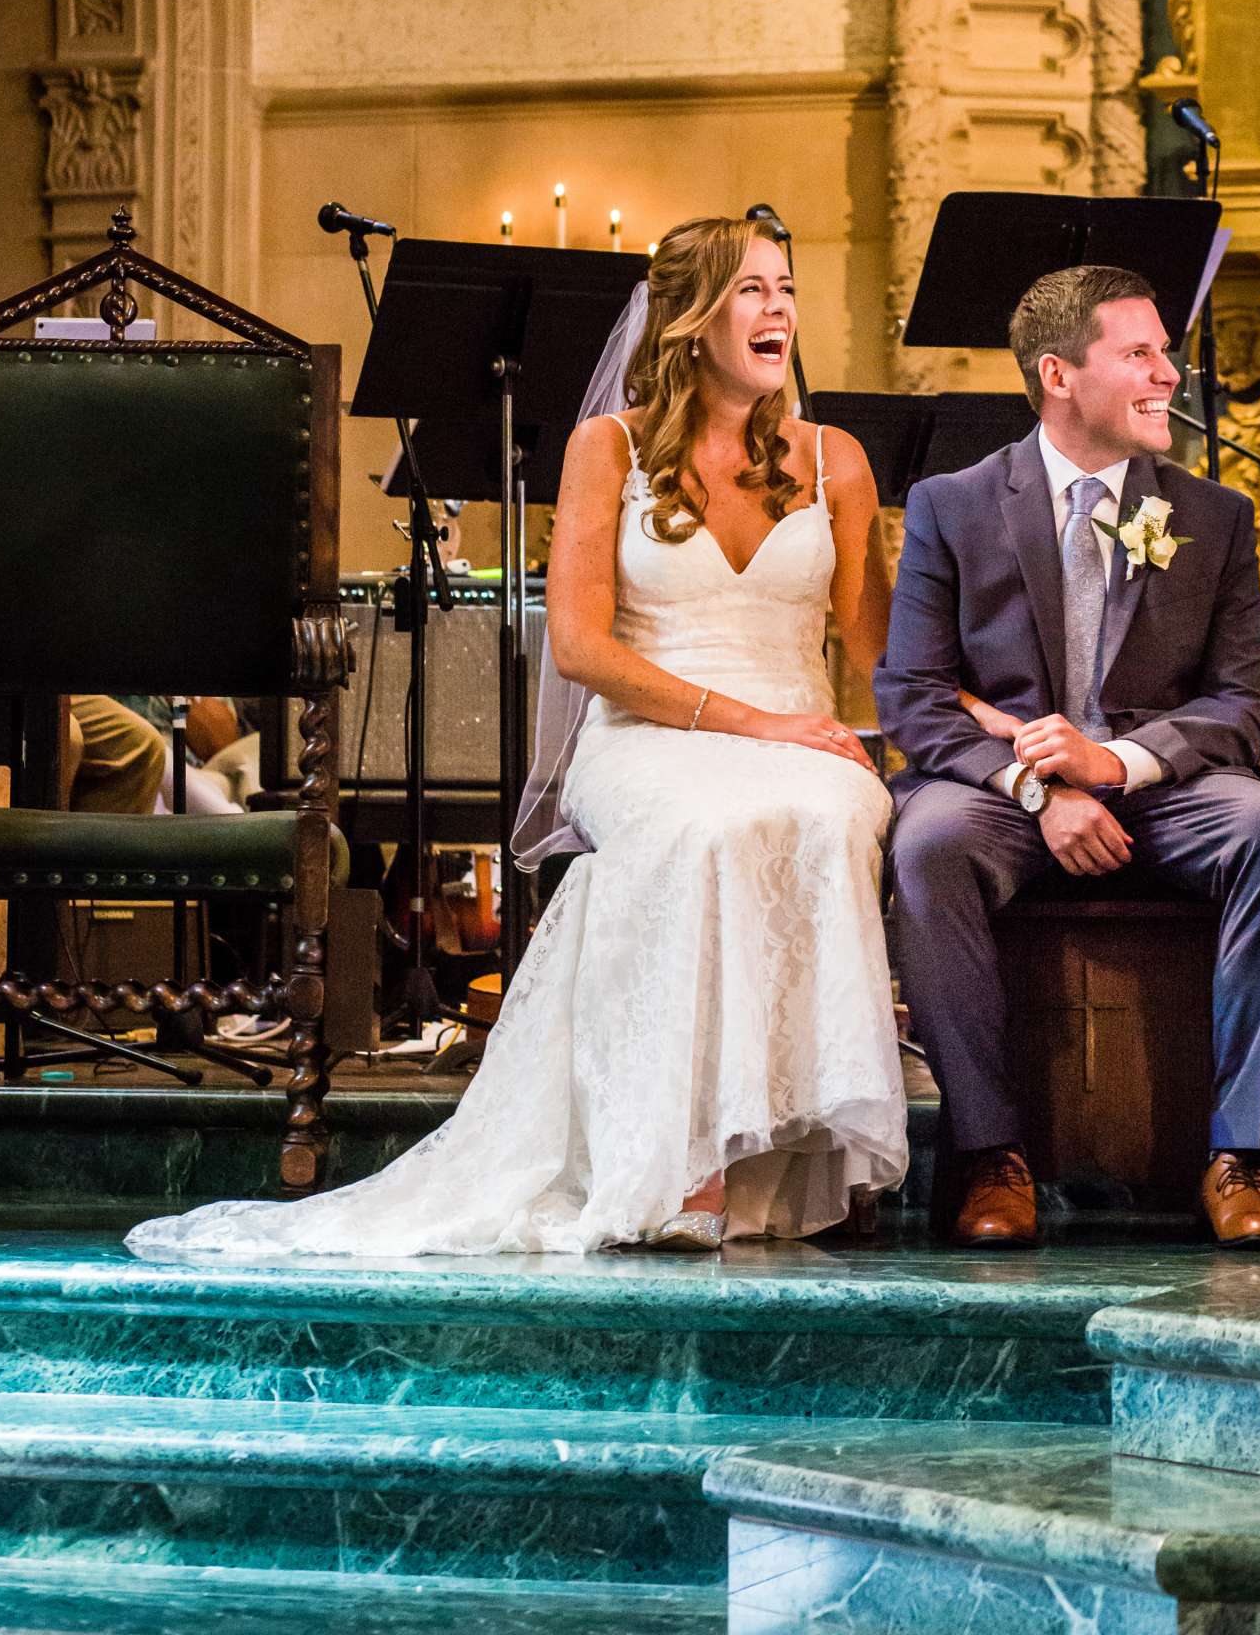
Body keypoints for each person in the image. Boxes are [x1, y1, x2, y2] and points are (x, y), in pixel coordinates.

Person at [127, 216, 906, 1259]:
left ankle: (804, 1138)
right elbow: (581, 649)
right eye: (751, 290)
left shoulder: (834, 458)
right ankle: (686, 1157)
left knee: (832, 804)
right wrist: (760, 722)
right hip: (648, 735)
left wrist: (967, 710)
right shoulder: (608, 447)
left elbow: (888, 650)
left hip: (798, 732)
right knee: (707, 826)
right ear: (686, 322)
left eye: (787, 287)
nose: (779, 310)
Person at [877, 264, 1260, 1252]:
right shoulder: (953, 506)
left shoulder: (1211, 515)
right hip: (1004, 794)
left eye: (1163, 350)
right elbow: (910, 693)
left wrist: (1115, 764)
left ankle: (1241, 1156)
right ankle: (990, 1155)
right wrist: (1041, 789)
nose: (1169, 373)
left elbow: (1238, 706)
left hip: (1165, 786)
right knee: (927, 844)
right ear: (1059, 375)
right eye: (1140, 353)